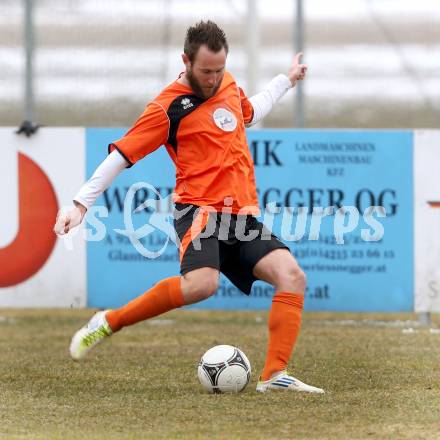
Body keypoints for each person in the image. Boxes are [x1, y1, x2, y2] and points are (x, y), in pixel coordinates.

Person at [54, 20, 324, 394]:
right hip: (198, 212)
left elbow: (250, 112)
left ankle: (274, 377)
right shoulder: (167, 108)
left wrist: (287, 79)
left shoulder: (227, 83)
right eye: (205, 71)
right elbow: (121, 155)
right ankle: (109, 321)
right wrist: (80, 205)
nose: (213, 78)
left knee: (293, 276)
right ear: (186, 60)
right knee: (201, 286)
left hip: (240, 216)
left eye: (219, 69)